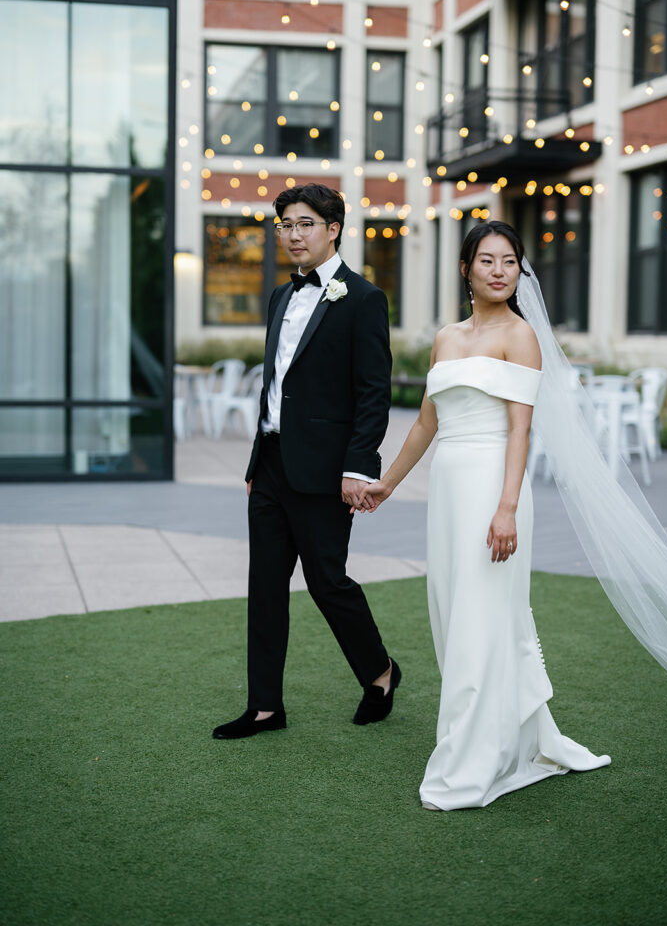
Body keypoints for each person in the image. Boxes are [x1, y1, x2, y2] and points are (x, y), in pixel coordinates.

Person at [359, 221, 611, 809]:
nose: (500, 270)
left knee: (482, 617)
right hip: (449, 488)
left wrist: (506, 509)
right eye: (488, 260)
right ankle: (501, 732)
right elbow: (427, 422)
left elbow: (520, 429)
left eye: (510, 261)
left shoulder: (522, 337)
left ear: (519, 272)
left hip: (494, 487)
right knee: (454, 614)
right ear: (466, 268)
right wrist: (388, 484)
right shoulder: (446, 337)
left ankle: (472, 759)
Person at [213, 183, 401, 740]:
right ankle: (265, 706)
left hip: (325, 471)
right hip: (270, 464)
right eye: (285, 225)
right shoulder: (278, 296)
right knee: (265, 585)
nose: (293, 235)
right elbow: (276, 387)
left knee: (327, 582)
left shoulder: (363, 299)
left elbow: (373, 393)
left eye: (305, 224)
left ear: (333, 228)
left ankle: (380, 671)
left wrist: (357, 468)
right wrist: (254, 463)